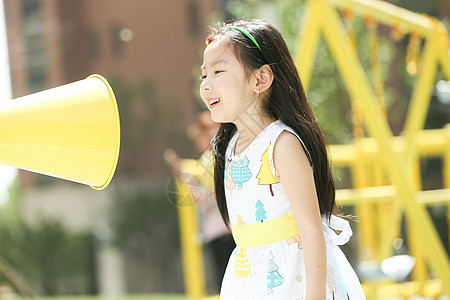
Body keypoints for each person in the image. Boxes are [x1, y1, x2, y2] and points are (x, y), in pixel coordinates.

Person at [199, 19, 366, 299]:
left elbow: (311, 230)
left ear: (261, 79)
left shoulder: (282, 144)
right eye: (204, 75)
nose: (206, 85)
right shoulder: (228, 147)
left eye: (218, 71)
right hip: (249, 278)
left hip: (294, 279)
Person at [164, 112, 235, 292]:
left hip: (223, 230)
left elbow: (207, 197)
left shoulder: (213, 158)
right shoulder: (219, 156)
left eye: (198, 137)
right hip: (225, 229)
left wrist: (184, 176)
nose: (197, 142)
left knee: (227, 284)